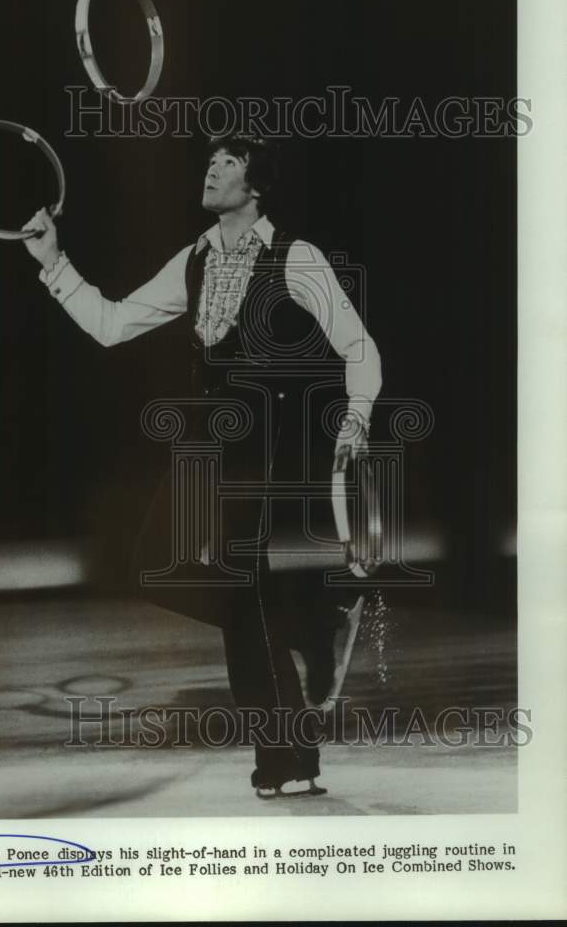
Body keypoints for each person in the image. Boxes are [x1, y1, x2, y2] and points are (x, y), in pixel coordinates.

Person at [22, 134, 382, 799]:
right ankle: (312, 624)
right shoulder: (194, 257)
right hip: (198, 444)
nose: (211, 169)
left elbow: (357, 343)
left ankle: (286, 754)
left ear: (257, 184)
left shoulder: (293, 257)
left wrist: (357, 417)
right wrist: (55, 263)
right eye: (210, 160)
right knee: (161, 571)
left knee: (242, 589)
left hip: (255, 443)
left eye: (229, 162)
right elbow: (111, 323)